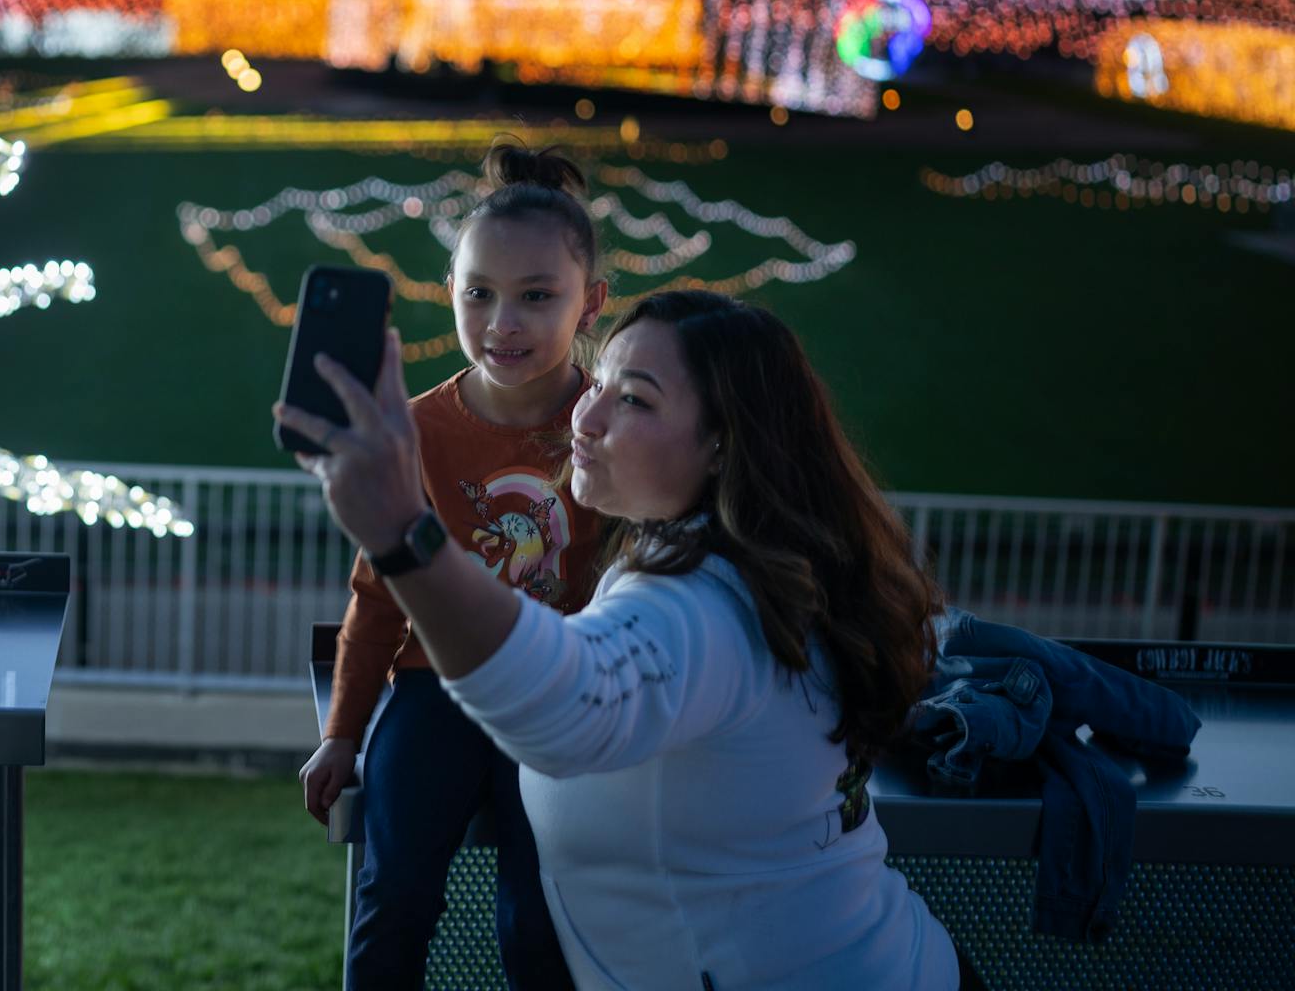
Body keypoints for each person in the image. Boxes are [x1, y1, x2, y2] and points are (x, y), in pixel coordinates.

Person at [279, 289, 974, 990]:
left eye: (635, 400)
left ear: (722, 443)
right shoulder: (764, 565)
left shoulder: (705, 608)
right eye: (600, 381)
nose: (586, 417)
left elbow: (570, 704)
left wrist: (405, 532)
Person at [296, 139, 608, 991]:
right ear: (451, 293)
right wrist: (341, 737)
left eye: (537, 297)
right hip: (440, 691)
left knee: (540, 918)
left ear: (591, 304)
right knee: (393, 898)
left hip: (560, 699)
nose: (503, 323)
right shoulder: (421, 430)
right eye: (480, 294)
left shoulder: (615, 427)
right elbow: (379, 594)